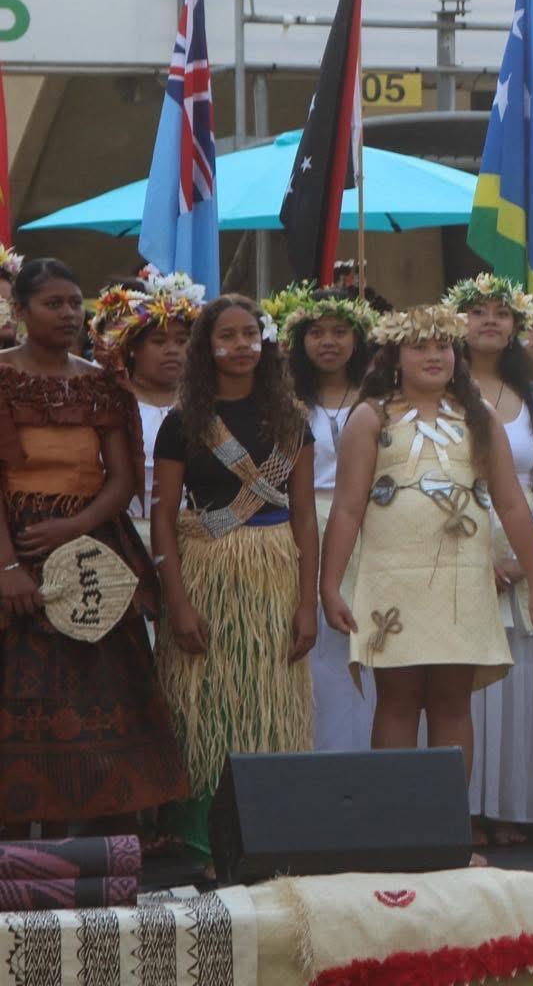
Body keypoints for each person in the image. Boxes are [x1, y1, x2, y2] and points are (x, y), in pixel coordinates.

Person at [319, 304, 533, 864]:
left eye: (443, 346)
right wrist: (331, 586)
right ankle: (395, 837)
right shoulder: (369, 418)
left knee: (452, 703)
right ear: (394, 356)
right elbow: (348, 509)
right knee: (397, 702)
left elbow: (513, 506)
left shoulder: (478, 417)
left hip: (461, 581)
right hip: (391, 582)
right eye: (420, 346)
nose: (434, 356)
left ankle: (447, 835)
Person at [0, 258, 187, 829]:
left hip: (92, 543)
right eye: (52, 303)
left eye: (73, 303)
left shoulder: (101, 382)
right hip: (11, 539)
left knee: (101, 686)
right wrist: (8, 566)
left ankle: (101, 838)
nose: (68, 314)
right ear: (20, 310)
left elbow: (123, 480)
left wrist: (71, 527)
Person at [151, 294, 318, 873]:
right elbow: (163, 516)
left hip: (274, 572)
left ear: (265, 341)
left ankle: (268, 837)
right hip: (206, 570)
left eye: (250, 333)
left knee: (269, 705)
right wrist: (178, 602)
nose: (242, 345)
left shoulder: (291, 421)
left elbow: (305, 517)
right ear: (207, 347)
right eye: (227, 336)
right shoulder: (184, 423)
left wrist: (307, 603)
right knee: (206, 706)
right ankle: (203, 840)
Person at [445, 274, 533, 846]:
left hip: (526, 548)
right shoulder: (440, 391)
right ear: (458, 322)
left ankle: (510, 808)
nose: (490, 321)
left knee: (521, 681)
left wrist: (526, 559)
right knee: (463, 683)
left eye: (502, 312)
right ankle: (462, 810)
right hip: (453, 540)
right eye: (478, 311)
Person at [266, 282, 379, 754]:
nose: (328, 341)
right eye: (316, 332)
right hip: (301, 523)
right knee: (313, 640)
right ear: (299, 340)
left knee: (369, 637)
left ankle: (370, 753)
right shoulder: (282, 400)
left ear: (358, 338)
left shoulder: (379, 398)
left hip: (370, 525)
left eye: (339, 331)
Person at [94, 272, 203, 549]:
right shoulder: (110, 402)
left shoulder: (207, 405)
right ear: (132, 348)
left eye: (182, 340)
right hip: (123, 537)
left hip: (197, 539)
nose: (172, 350)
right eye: (159, 341)